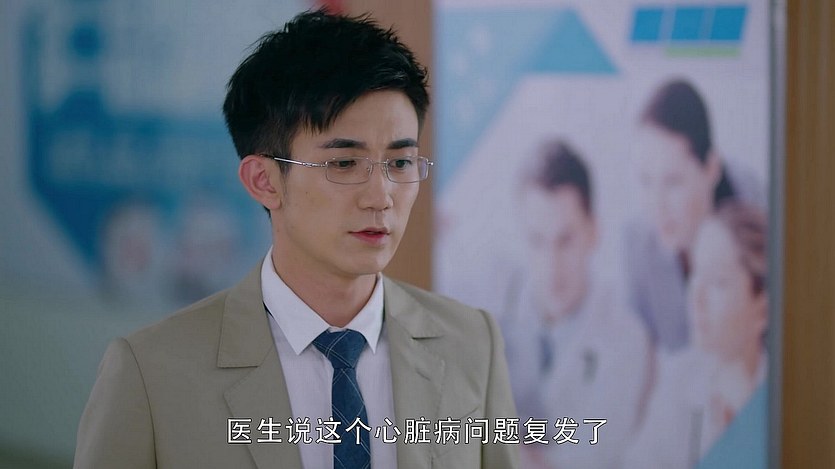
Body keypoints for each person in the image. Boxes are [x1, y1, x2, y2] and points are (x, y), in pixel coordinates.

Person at [74, 10, 518, 469]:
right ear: (264, 180)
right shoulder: (151, 372)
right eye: (344, 164)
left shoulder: (472, 342)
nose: (381, 197)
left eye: (400, 163)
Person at [500, 140, 650, 469]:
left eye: (565, 240)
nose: (551, 265)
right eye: (537, 241)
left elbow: (597, 457)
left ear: (593, 231)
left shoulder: (625, 338)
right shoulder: (493, 314)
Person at [624, 200, 768, 468]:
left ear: (763, 308)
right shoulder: (679, 378)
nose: (696, 297)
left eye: (717, 283)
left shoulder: (786, 395)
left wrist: (746, 413)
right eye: (695, 274)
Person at [625, 78, 762, 354]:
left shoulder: (761, 218)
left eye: (673, 182)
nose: (657, 206)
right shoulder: (637, 246)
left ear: (711, 168)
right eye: (646, 181)